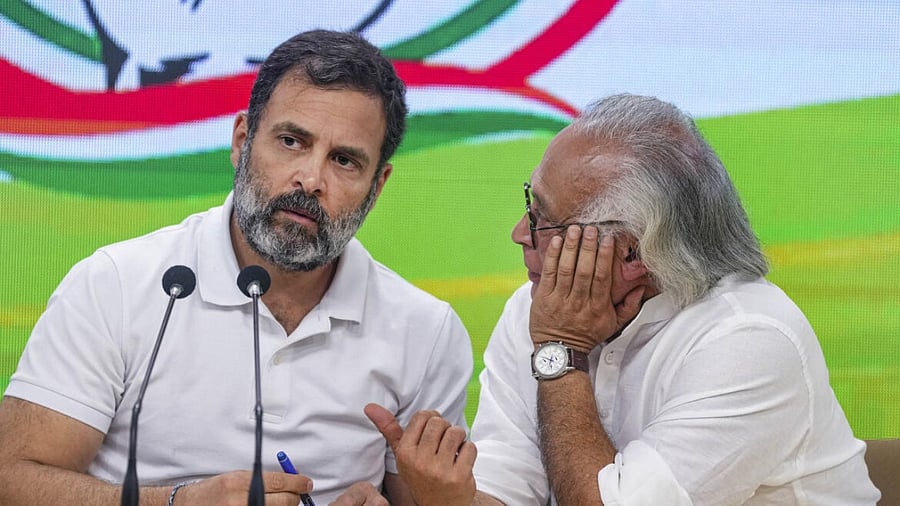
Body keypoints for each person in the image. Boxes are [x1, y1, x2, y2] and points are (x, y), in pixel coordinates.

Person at [0, 30, 472, 505]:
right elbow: (12, 479)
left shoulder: (425, 332)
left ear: (377, 186)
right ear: (242, 141)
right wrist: (177, 503)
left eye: (344, 161)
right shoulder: (118, 285)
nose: (310, 179)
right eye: (291, 141)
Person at [365, 94, 880, 505]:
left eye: (543, 218)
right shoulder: (534, 307)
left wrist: (563, 353)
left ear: (632, 252)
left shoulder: (750, 337)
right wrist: (450, 499)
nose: (519, 232)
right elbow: (510, 487)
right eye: (530, 202)